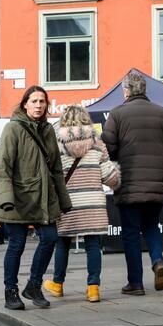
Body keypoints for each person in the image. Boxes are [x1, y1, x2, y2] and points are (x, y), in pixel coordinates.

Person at [100, 70, 163, 296]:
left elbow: (108, 148)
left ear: (126, 91)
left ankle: (135, 283)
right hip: (157, 184)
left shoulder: (116, 114)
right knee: (151, 226)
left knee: (130, 232)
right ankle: (157, 260)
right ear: (145, 90)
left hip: (128, 184)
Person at [0, 85, 72, 311]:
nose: (39, 105)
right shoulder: (13, 129)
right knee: (16, 245)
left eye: (42, 101)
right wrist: (6, 198)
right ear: (25, 104)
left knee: (50, 238)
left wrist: (63, 200)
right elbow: (4, 166)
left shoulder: (48, 130)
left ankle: (34, 285)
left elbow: (56, 169)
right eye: (34, 101)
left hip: (44, 198)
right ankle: (11, 291)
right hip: (18, 198)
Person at [45, 105, 118, 304]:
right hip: (93, 203)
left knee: (63, 244)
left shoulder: (57, 145)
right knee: (93, 246)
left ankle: (58, 284)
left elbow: (53, 177)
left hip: (67, 204)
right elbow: (111, 177)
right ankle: (93, 289)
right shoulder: (97, 144)